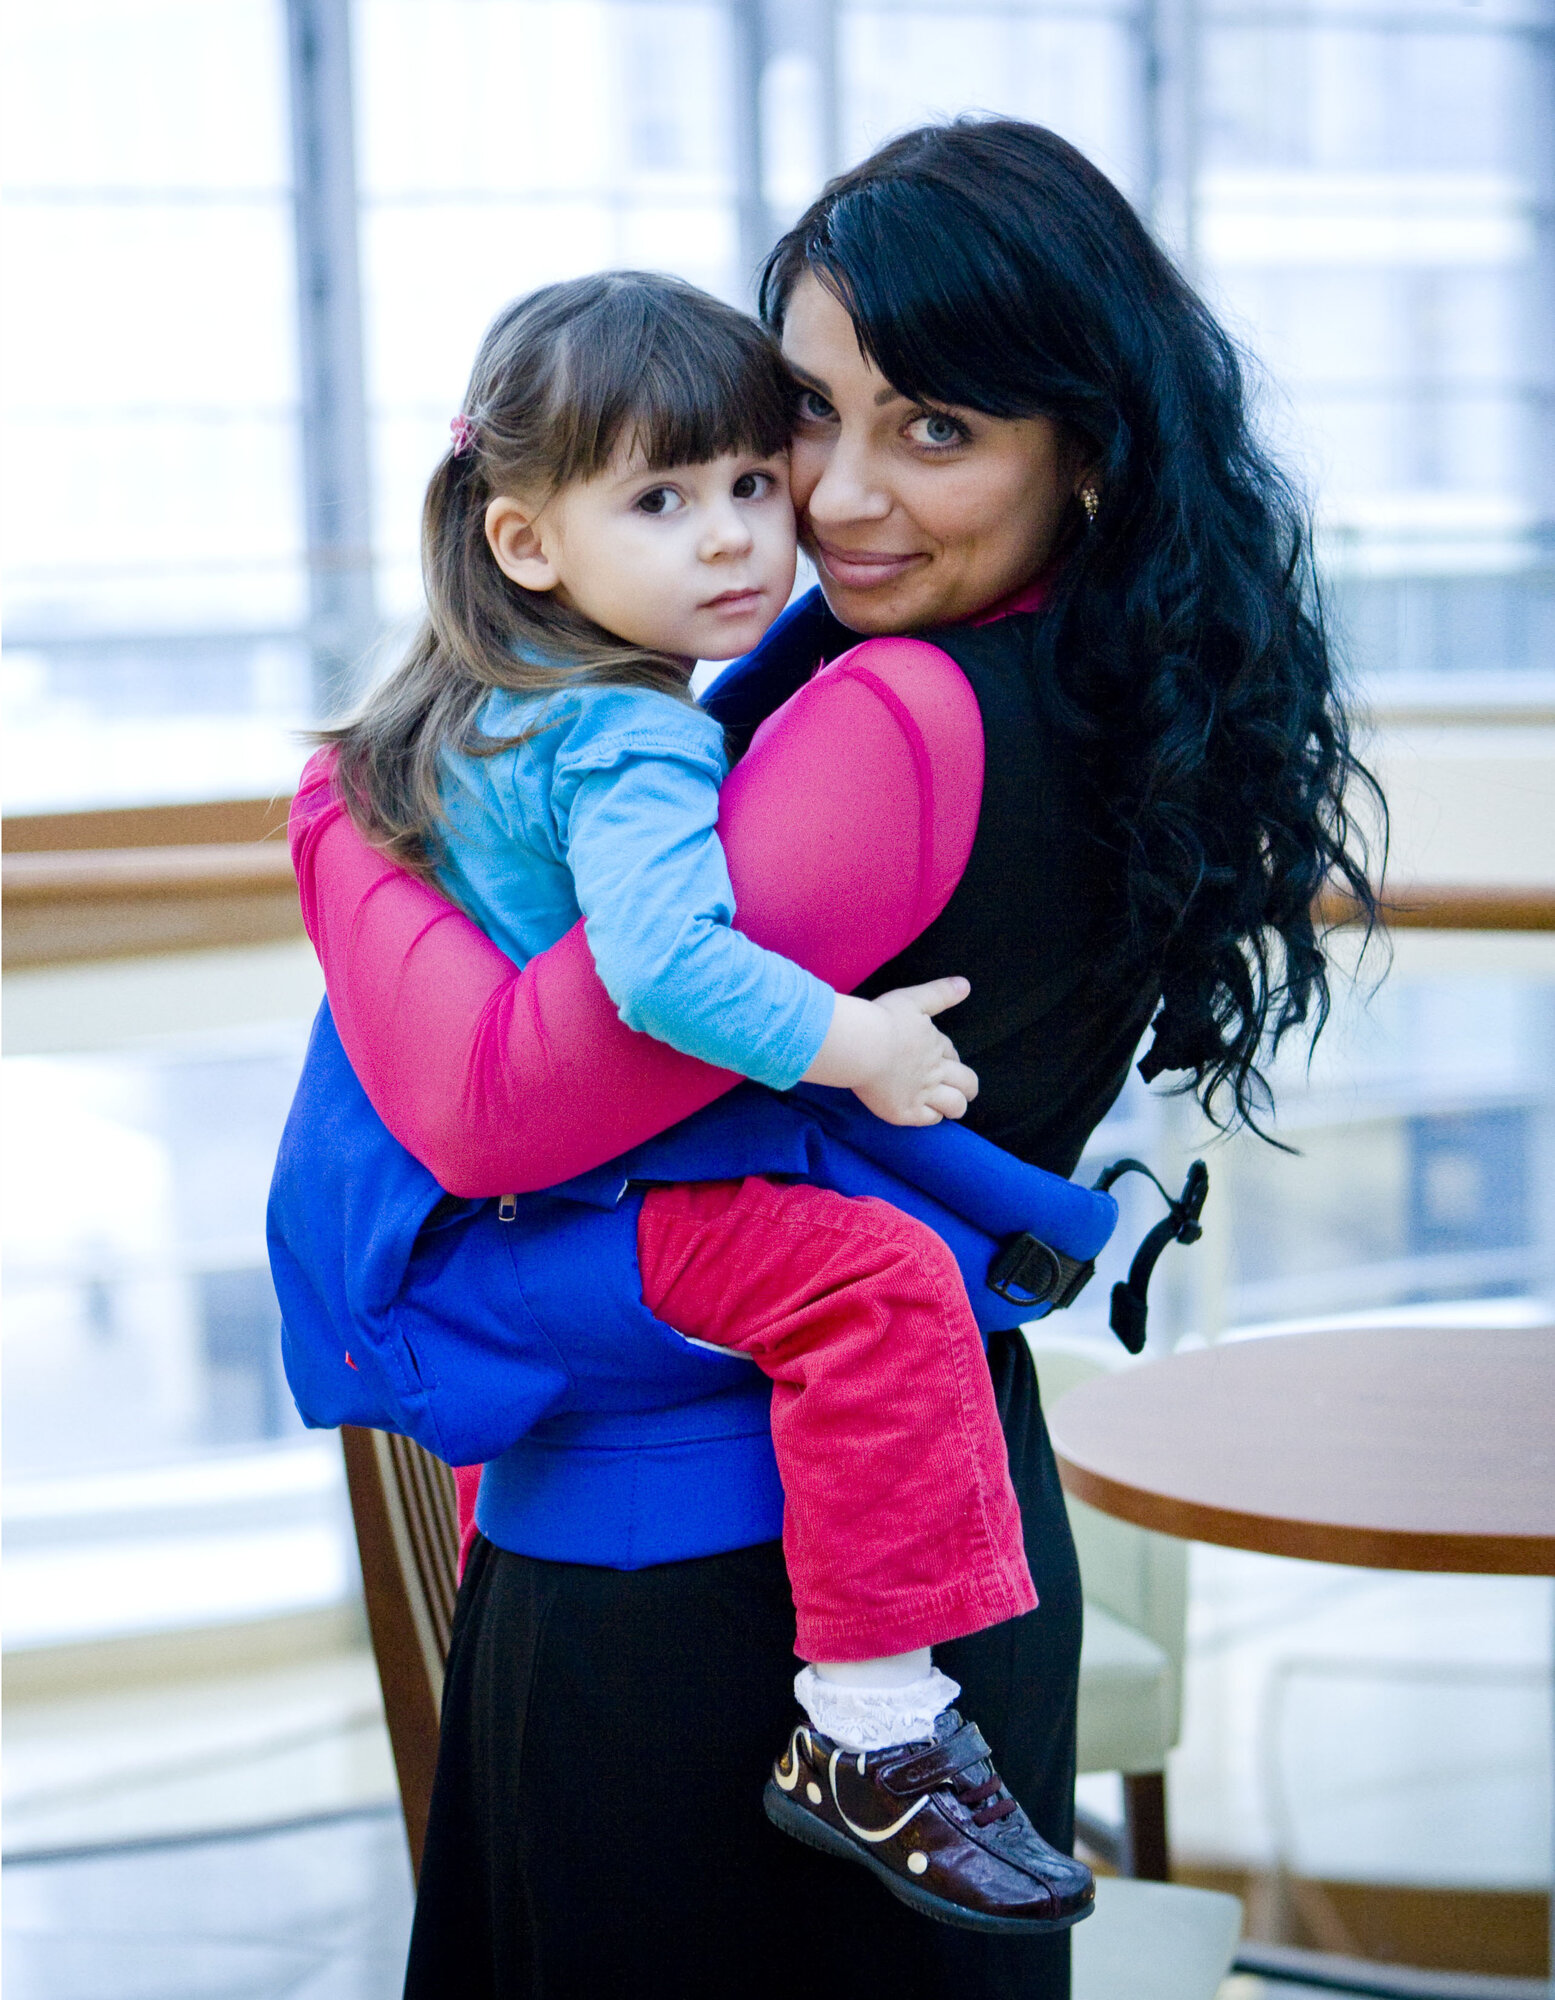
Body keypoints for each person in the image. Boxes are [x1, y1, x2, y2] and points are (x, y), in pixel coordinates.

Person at [277, 121, 1380, 1998]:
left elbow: (497, 1104)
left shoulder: (893, 716)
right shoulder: (1111, 677)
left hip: (710, 1592)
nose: (838, 495)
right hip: (914, 1522)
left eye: (935, 429)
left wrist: (336, 810)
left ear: (1086, 451)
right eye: (808, 409)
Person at [307, 267, 1094, 1933]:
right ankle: (874, 1726)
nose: (738, 537)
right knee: (877, 1280)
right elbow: (665, 969)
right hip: (581, 1212)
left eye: (748, 480)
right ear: (527, 542)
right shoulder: (633, 734)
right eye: (662, 501)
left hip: (466, 1235)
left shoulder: (489, 700)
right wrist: (860, 1043)